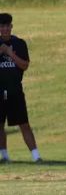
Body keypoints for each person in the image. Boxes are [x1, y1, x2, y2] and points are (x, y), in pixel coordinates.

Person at [0, 13, 42, 163]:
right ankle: (4, 156)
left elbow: (24, 65)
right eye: (1, 26)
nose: (4, 29)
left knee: (23, 123)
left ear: (11, 27)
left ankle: (36, 157)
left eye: (7, 26)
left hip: (15, 91)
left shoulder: (19, 43)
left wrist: (10, 53)